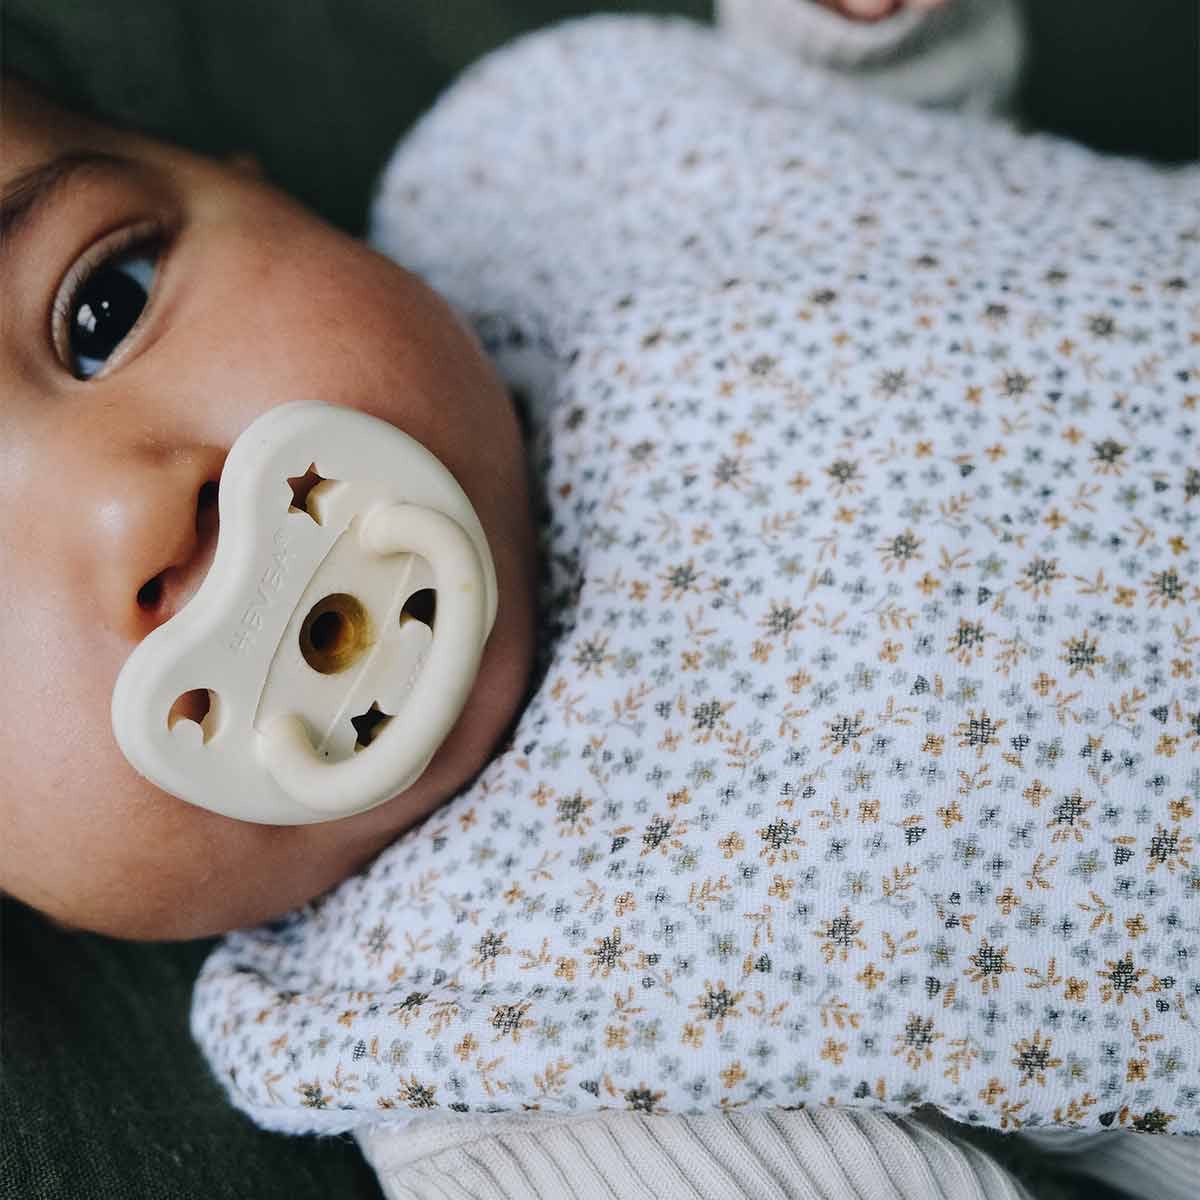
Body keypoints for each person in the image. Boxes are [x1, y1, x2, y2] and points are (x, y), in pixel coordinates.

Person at [2, 2, 1196, 1197]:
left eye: (105, 307)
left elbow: (915, 184)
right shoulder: (516, 1066)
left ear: (255, 189)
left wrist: (856, 37)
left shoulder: (555, 174)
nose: (135, 510)